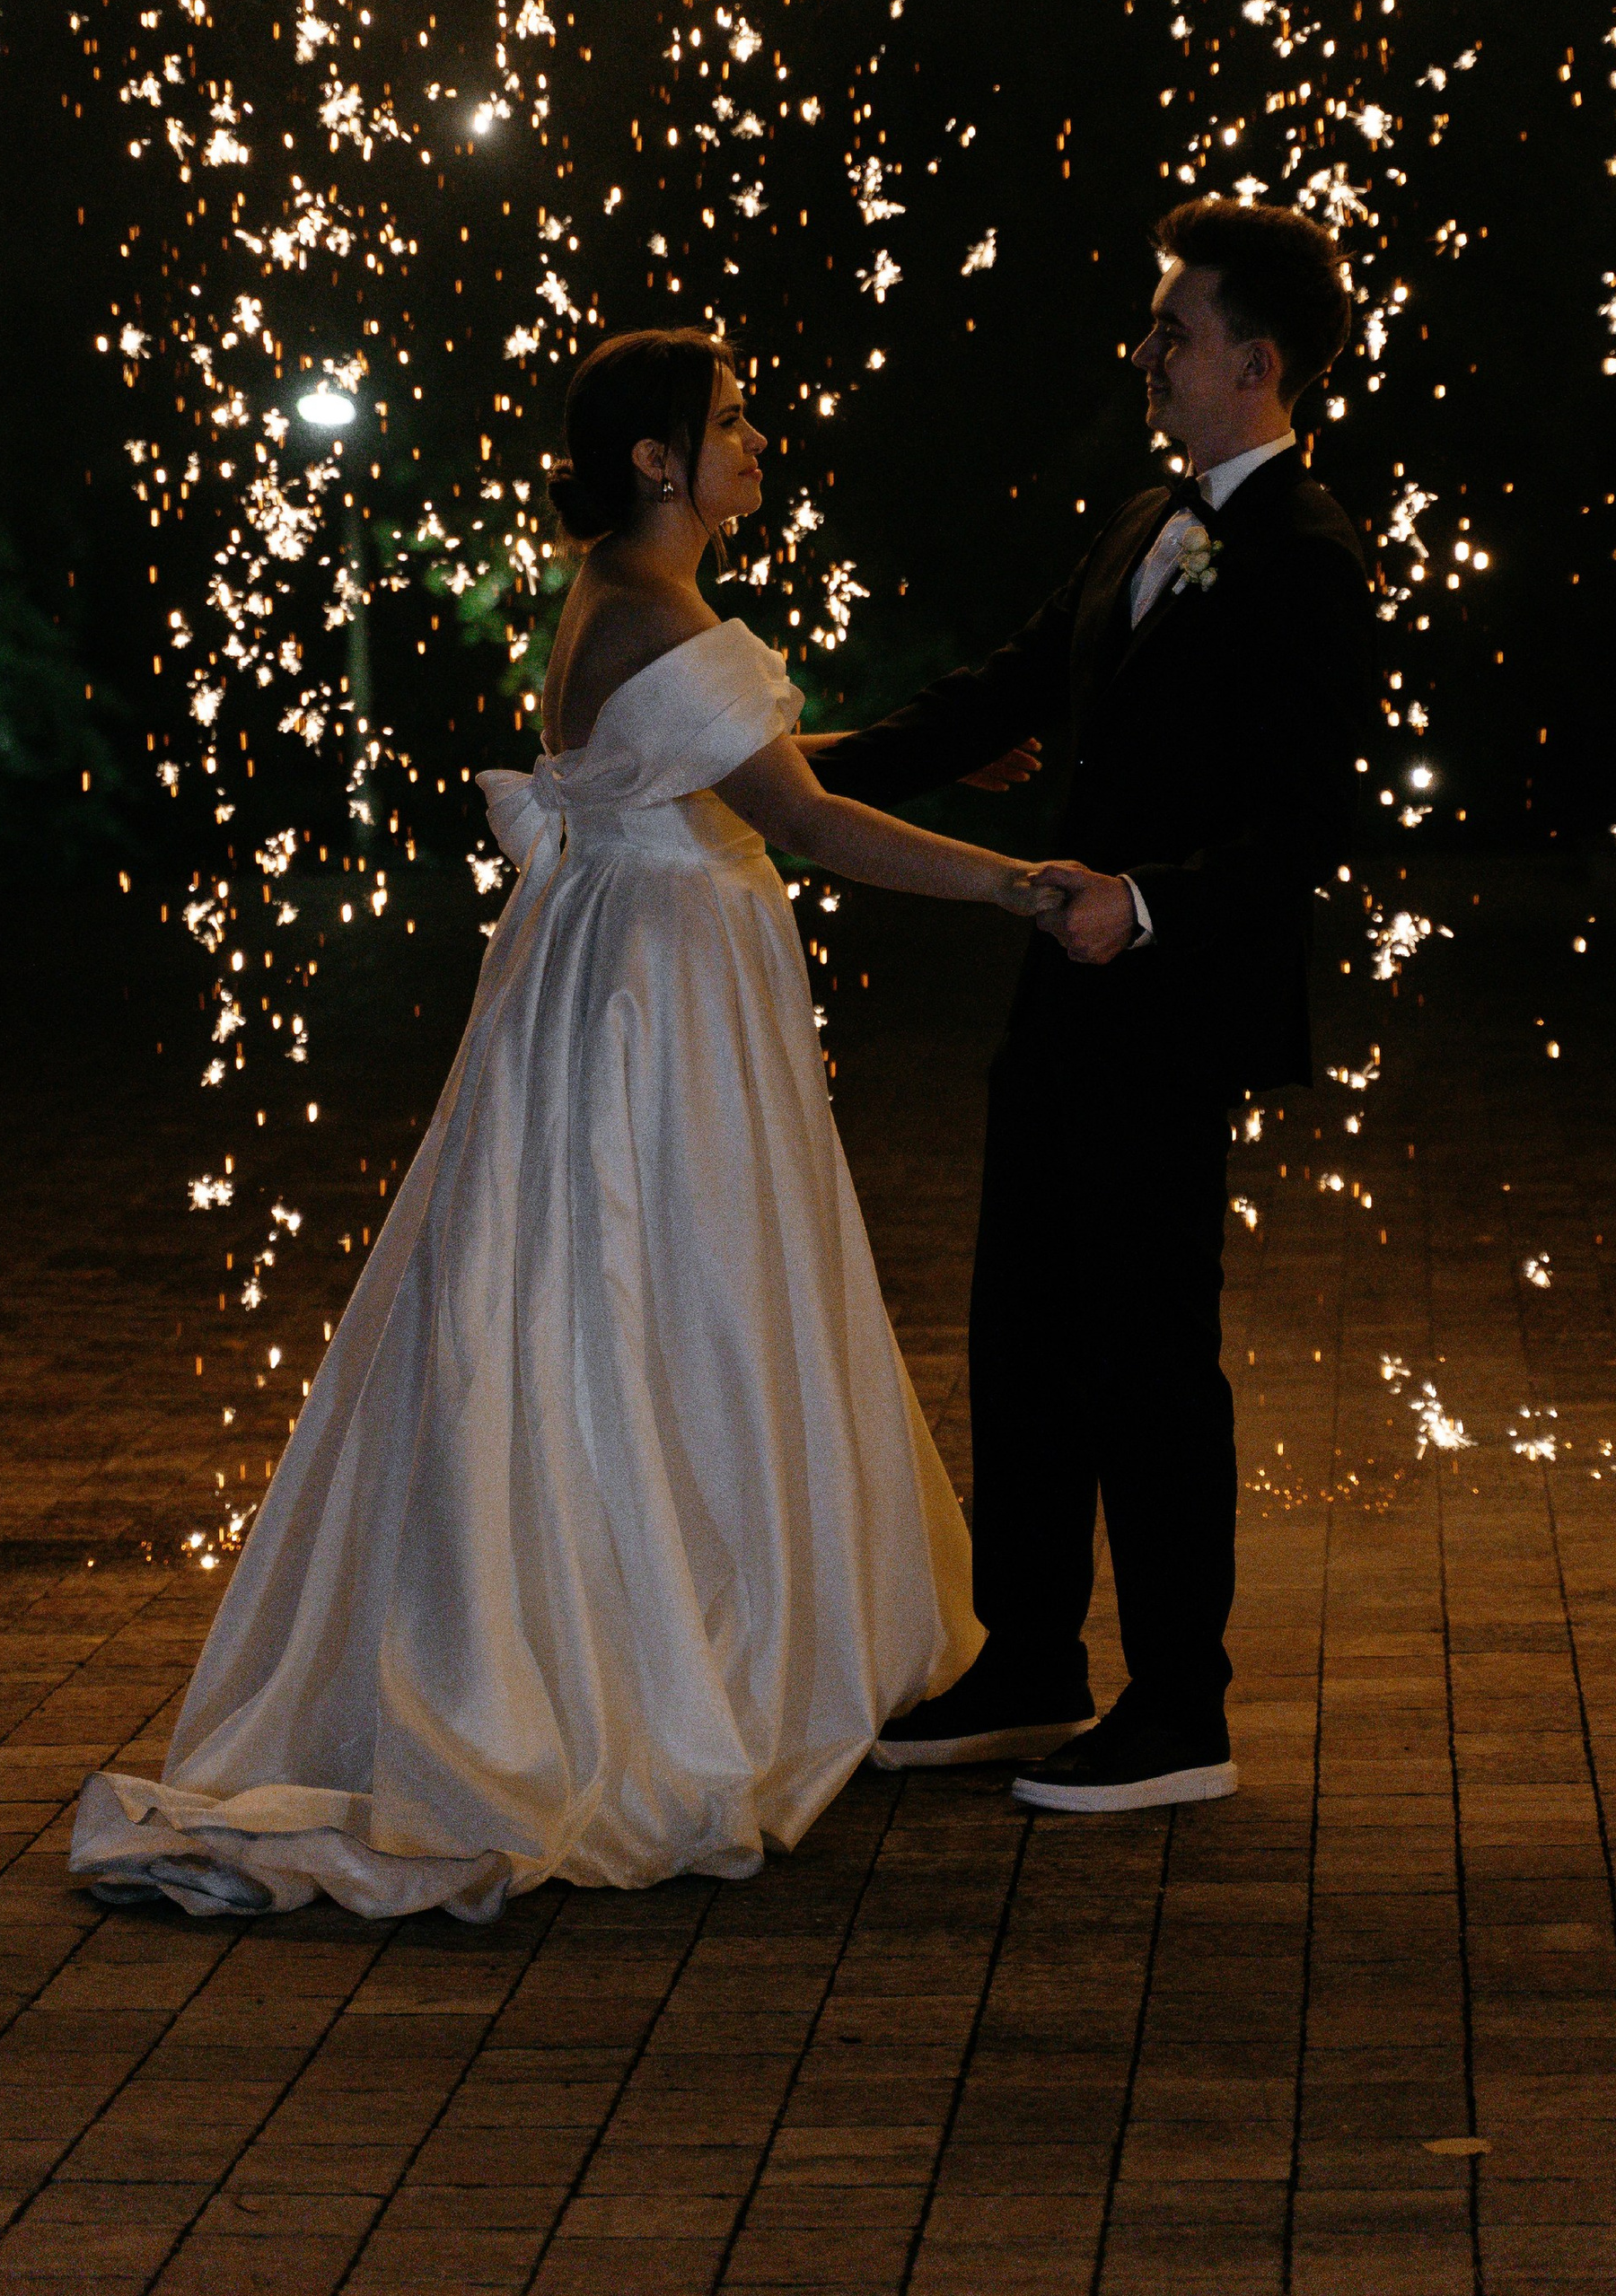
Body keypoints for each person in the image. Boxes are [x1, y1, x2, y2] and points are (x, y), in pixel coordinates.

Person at [71, 327, 1065, 1922]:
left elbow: (740, 767)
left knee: (645, 1295)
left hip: (632, 974)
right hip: (655, 1007)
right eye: (732, 423)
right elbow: (801, 815)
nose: (758, 445)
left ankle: (675, 1615)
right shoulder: (652, 609)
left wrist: (943, 764)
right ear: (658, 460)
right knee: (643, 1291)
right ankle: (634, 1660)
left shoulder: (624, 594)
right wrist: (1018, 883)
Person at [814, 197, 1375, 1815]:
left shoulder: (1308, 560)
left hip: (1175, 1002)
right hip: (1062, 996)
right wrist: (775, 780)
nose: (1147, 356)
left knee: (1148, 1350)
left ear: (1258, 365)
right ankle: (1033, 1656)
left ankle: (1181, 1705)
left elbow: (1309, 821)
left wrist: (1150, 903)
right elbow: (999, 689)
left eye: (1175, 335)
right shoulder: (1143, 522)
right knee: (1021, 1329)